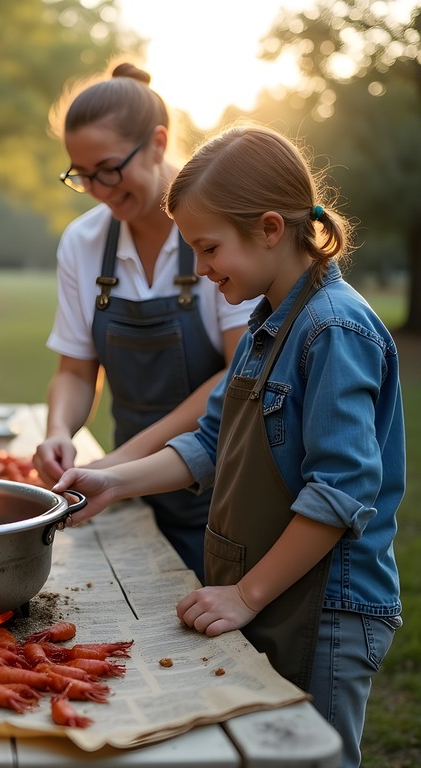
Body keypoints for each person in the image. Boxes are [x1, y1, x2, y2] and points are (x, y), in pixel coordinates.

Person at [54, 124, 403, 768]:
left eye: (208, 247)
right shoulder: (264, 324)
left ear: (271, 228)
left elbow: (342, 490)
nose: (200, 268)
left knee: (310, 757)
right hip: (272, 592)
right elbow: (211, 441)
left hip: (327, 608)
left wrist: (244, 596)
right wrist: (114, 481)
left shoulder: (333, 331)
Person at [33, 63, 255, 582]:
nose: (96, 189)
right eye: (81, 174)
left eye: (107, 169)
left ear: (157, 144)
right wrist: (59, 429)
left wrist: (121, 463)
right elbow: (74, 368)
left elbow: (238, 374)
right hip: (135, 495)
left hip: (226, 492)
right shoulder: (83, 243)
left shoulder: (220, 233)